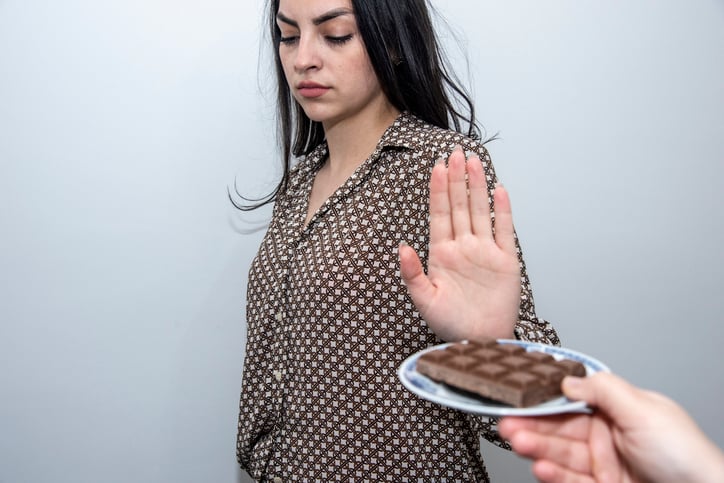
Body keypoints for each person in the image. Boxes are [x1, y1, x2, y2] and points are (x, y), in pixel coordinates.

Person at [234, 0, 558, 480]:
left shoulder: (444, 168)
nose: (302, 58)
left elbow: (543, 406)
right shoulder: (298, 185)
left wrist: (490, 345)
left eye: (336, 34)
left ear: (392, 42)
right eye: (288, 35)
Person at [398, 132, 724, 482]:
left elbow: (517, 418)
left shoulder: (441, 160)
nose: (327, 71)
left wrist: (491, 345)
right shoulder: (326, 158)